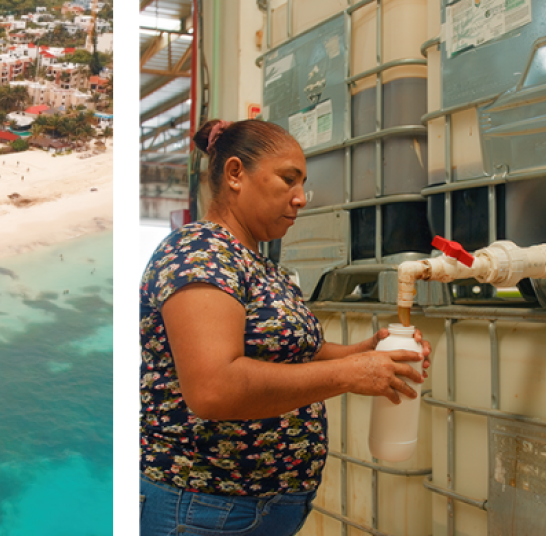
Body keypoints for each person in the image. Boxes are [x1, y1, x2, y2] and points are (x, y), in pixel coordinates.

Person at [140, 119, 431, 536]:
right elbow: (214, 388)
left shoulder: (260, 264)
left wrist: (373, 354)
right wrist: (350, 374)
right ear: (235, 173)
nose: (301, 198)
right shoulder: (200, 253)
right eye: (288, 180)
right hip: (202, 506)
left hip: (257, 508)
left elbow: (295, 354)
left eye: (303, 184)